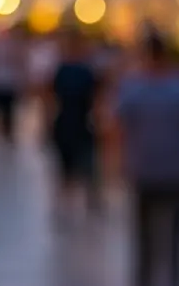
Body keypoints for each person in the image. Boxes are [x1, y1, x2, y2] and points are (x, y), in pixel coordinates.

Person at [115, 28, 179, 286]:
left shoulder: (132, 87)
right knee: (174, 245)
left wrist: (118, 164)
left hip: (146, 171)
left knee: (146, 242)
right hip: (177, 171)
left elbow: (118, 131)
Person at [48, 25, 101, 224]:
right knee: (69, 168)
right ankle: (69, 206)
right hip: (70, 122)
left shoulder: (84, 70)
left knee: (86, 167)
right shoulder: (66, 70)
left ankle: (87, 204)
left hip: (79, 122)